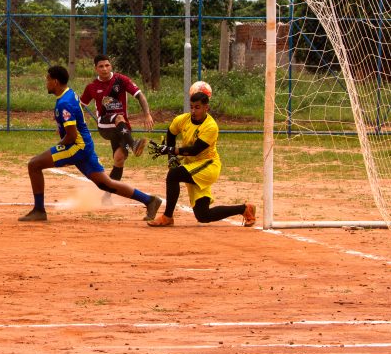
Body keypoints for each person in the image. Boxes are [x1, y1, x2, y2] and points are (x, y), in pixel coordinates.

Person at [19, 65, 162, 222]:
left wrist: (56, 146)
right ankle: (149, 200)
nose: (46, 82)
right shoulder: (69, 94)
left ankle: (39, 210)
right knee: (105, 184)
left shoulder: (64, 103)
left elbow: (72, 136)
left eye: (47, 79)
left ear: (55, 82)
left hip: (77, 147)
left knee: (34, 164)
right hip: (85, 145)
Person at [147, 91, 256, 227]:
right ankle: (244, 209)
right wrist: (171, 157)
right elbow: (171, 132)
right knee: (203, 216)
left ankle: (167, 217)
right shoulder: (182, 120)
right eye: (191, 106)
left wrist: (170, 150)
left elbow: (194, 150)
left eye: (197, 107)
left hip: (208, 166)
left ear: (206, 108)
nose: (193, 110)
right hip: (193, 166)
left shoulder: (211, 126)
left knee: (174, 175)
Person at [80, 54, 153, 205]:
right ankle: (133, 144)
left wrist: (147, 114)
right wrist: (69, 121)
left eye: (107, 65)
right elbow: (80, 105)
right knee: (118, 117)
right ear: (96, 69)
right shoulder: (92, 87)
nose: (105, 69)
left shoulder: (121, 80)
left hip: (122, 129)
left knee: (119, 160)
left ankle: (107, 196)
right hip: (105, 126)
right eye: (101, 66)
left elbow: (140, 96)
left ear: (111, 66)